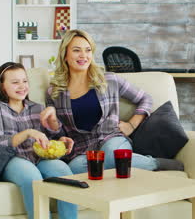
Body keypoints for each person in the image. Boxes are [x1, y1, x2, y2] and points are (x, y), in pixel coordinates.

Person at [40, 29, 183, 174]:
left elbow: (145, 98)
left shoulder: (109, 80)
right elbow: (58, 132)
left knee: (111, 156)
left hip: (111, 139)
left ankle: (155, 163)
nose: (83, 55)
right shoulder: (54, 92)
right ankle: (125, 168)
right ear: (65, 55)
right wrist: (55, 128)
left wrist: (131, 125)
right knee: (75, 169)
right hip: (82, 149)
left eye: (88, 50)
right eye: (77, 50)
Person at [0, 62, 77, 219]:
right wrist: (27, 133)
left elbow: (52, 136)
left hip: (39, 157)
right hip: (13, 159)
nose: (22, 86)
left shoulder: (38, 108)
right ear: (2, 87)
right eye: (15, 82)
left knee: (65, 173)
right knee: (32, 177)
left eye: (25, 81)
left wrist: (59, 135)